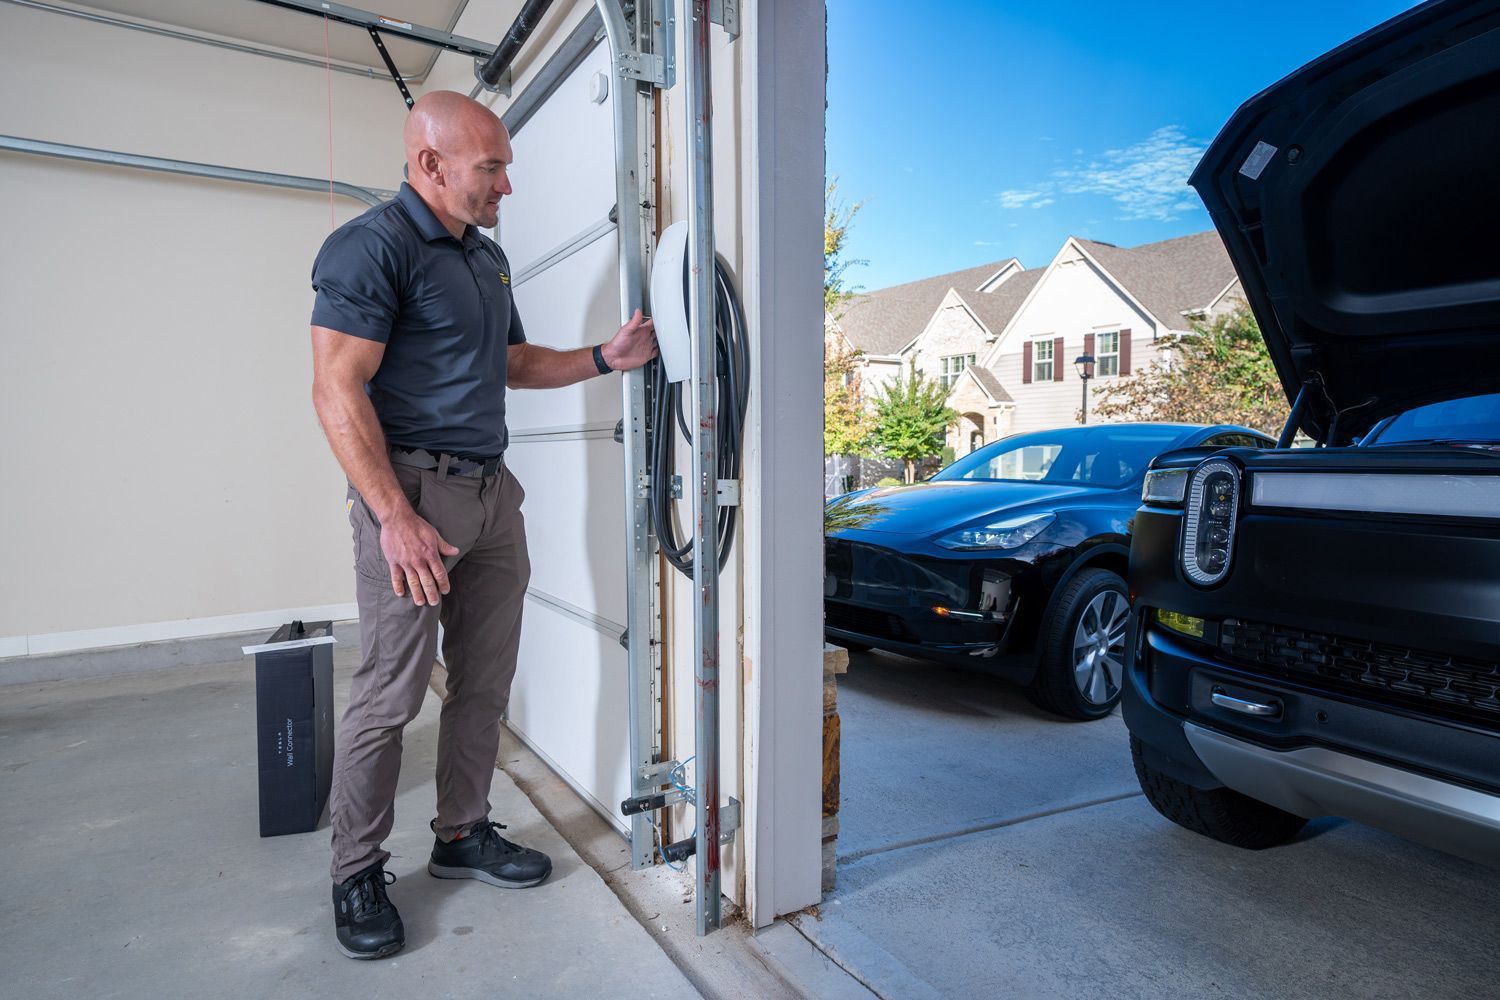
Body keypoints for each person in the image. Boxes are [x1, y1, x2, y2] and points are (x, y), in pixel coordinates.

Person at [309, 90, 657, 960]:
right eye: (491, 166)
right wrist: (392, 516)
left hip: (492, 495)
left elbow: (509, 361)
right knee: (390, 694)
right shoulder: (371, 247)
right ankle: (356, 871)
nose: (507, 183)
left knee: (485, 682)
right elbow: (335, 387)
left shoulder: (485, 259)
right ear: (430, 164)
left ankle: (461, 833)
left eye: (505, 166)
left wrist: (603, 359)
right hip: (413, 499)